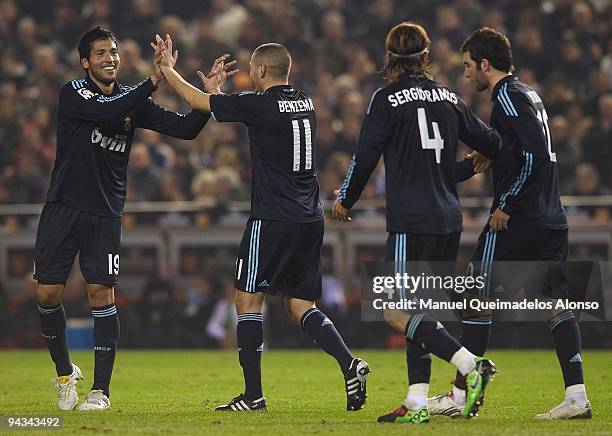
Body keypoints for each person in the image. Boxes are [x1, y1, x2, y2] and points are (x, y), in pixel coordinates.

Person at [155, 37, 370, 412]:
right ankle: (350, 363)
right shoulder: (306, 102)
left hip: (273, 218)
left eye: (252, 70)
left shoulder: (260, 104)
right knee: (301, 305)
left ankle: (253, 396)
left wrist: (167, 69)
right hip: (310, 216)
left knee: (246, 300)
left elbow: (195, 103)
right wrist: (218, 93)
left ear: (260, 71)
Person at [34, 27, 227, 411]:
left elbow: (186, 130)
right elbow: (107, 112)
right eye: (101, 52)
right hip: (62, 207)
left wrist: (209, 98)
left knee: (101, 294)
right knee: (47, 294)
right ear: (84, 61)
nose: (109, 58)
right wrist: (155, 80)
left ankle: (100, 392)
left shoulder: (131, 99)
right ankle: (64, 373)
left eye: (114, 52)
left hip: (105, 213)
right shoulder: (73, 93)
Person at [332, 22, 500, 424]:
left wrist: (345, 198)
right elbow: (491, 143)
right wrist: (474, 164)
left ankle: (470, 365)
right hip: (447, 220)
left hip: (411, 220)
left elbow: (366, 155)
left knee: (392, 309)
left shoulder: (385, 99)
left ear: (389, 59)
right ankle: (416, 401)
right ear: (426, 58)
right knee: (418, 312)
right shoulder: (449, 98)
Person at [428, 27, 591, 421]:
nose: (467, 75)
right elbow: (520, 149)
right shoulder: (528, 93)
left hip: (519, 220)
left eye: (469, 66)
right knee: (555, 305)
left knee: (472, 293)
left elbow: (533, 156)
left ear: (485, 64)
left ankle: (461, 392)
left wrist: (507, 203)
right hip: (551, 218)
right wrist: (489, 157)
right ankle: (577, 397)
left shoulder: (507, 97)